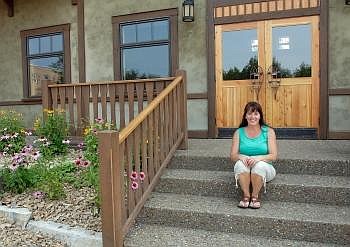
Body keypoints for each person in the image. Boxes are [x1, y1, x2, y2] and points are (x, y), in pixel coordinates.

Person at [230, 101, 277, 209]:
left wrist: (258, 158)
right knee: (240, 164)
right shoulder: (239, 132)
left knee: (259, 166)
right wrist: (241, 157)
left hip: (265, 167)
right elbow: (233, 156)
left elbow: (273, 156)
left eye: (256, 114)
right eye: (249, 113)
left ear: (260, 116)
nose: (253, 117)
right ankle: (246, 196)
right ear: (245, 116)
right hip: (246, 166)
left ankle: (255, 196)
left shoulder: (269, 132)